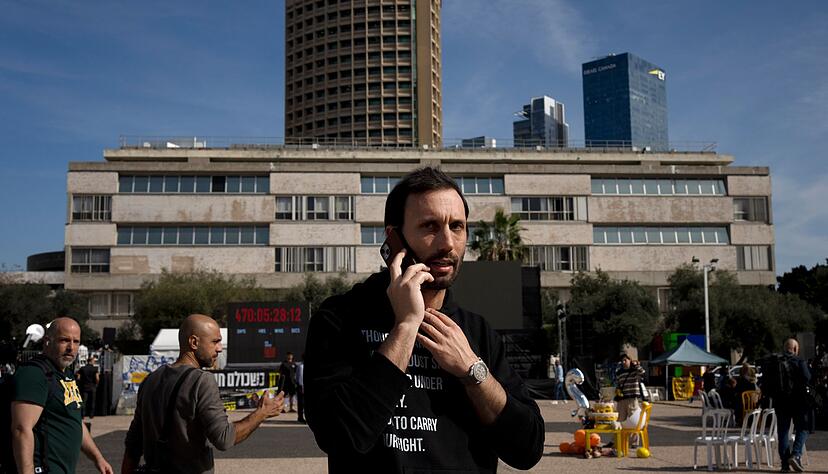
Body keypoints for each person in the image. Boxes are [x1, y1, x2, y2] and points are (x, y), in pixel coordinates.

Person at [304, 167, 544, 472]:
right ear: (394, 238)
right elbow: (339, 436)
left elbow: (528, 450)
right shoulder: (340, 318)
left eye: (457, 226)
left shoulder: (477, 332)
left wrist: (473, 371)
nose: (447, 243)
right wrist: (405, 327)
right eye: (430, 226)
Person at [122, 314, 285, 473]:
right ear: (194, 342)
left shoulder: (151, 380)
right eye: (215, 342)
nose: (220, 348)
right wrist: (262, 413)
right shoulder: (201, 380)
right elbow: (224, 438)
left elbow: (133, 446)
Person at [11, 317, 113, 473]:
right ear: (47, 341)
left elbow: (74, 420)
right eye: (64, 340)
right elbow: (21, 429)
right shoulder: (34, 374)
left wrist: (98, 458)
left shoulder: (66, 374)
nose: (71, 347)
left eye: (76, 341)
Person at [772, 338, 812, 473]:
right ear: (795, 349)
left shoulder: (775, 362)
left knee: (783, 432)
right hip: (797, 402)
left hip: (780, 402)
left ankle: (784, 464)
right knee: (803, 428)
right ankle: (796, 454)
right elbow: (807, 378)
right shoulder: (799, 361)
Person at [615, 353, 646, 422]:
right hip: (622, 399)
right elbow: (618, 384)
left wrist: (636, 365)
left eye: (625, 360)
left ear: (630, 360)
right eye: (622, 361)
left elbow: (642, 372)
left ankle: (634, 430)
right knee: (620, 419)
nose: (623, 362)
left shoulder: (634, 370)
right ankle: (622, 429)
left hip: (632, 399)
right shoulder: (619, 372)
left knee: (633, 418)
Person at [76, 354, 100, 427]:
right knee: (92, 401)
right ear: (91, 361)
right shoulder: (95, 369)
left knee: (84, 401)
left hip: (84, 386)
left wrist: (81, 383)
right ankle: (91, 415)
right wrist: (96, 384)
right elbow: (97, 378)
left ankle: (82, 415)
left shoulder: (82, 368)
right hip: (92, 386)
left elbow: (78, 377)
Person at [295, 355, 305, 423]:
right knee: (301, 403)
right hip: (302, 387)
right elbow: (300, 378)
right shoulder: (301, 366)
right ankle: (300, 417)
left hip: (303, 386)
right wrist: (302, 387)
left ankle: (301, 417)